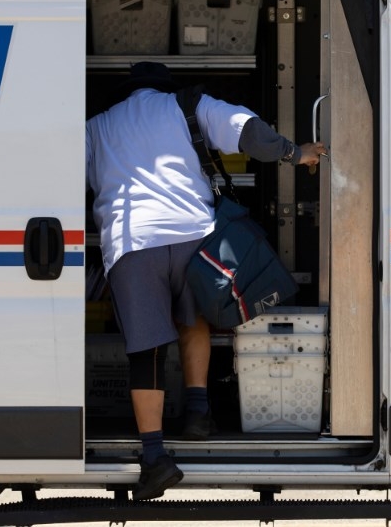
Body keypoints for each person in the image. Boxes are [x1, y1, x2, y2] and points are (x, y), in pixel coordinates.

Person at [86, 62, 326, 501]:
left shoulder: (98, 125)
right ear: (162, 86)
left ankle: (155, 458)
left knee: (148, 348)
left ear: (127, 91)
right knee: (193, 316)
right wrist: (297, 153)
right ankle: (197, 410)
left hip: (132, 241)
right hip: (194, 233)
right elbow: (248, 131)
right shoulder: (188, 105)